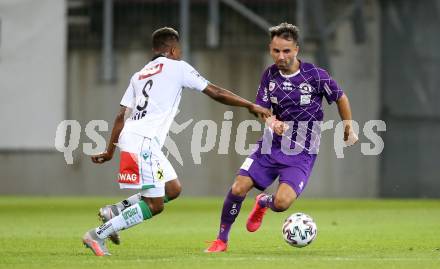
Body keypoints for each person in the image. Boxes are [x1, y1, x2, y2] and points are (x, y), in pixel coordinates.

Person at [81, 26, 272, 256]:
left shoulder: (138, 75)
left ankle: (114, 211)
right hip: (144, 142)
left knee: (172, 189)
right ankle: (97, 234)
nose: (180, 53)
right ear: (172, 49)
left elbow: (120, 116)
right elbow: (215, 91)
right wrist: (250, 105)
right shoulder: (177, 67)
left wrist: (110, 151)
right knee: (155, 205)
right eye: (179, 50)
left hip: (137, 139)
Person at [205, 22, 358, 253]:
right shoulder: (269, 76)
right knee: (238, 188)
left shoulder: (315, 76)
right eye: (276, 50)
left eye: (286, 51)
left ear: (296, 49)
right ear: (270, 49)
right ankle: (221, 240)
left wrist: (348, 126)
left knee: (282, 203)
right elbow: (261, 108)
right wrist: (271, 122)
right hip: (270, 145)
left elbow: (340, 97)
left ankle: (263, 202)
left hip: (301, 152)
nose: (281, 56)